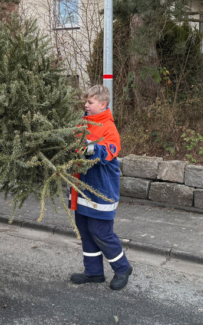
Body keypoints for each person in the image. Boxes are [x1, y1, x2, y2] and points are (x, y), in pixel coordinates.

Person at [69, 85, 132, 290]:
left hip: (101, 190)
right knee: (85, 230)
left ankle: (122, 268)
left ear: (103, 104)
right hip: (82, 187)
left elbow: (107, 152)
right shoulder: (82, 123)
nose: (85, 105)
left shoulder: (109, 128)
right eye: (86, 101)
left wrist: (87, 146)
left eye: (90, 102)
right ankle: (94, 272)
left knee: (101, 232)